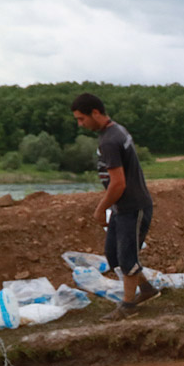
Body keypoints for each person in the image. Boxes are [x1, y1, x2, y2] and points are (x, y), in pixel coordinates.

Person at [71, 92, 159, 319]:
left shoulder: (111, 139)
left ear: (96, 113)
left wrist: (100, 208)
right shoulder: (113, 132)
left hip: (133, 206)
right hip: (121, 208)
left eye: (82, 119)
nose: (80, 124)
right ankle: (147, 289)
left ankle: (128, 307)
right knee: (113, 255)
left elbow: (119, 183)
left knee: (128, 257)